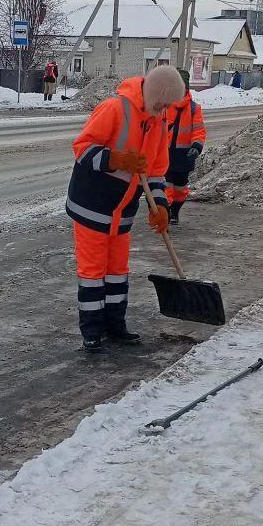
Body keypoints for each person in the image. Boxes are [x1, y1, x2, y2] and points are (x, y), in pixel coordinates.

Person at [66, 65, 186, 353]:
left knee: (118, 271)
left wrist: (159, 205)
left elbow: (156, 170)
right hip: (92, 206)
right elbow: (82, 148)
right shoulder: (114, 109)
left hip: (123, 211)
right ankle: (92, 331)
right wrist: (115, 159)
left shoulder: (158, 121)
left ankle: (115, 324)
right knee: (93, 272)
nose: (167, 110)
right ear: (157, 96)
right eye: (166, 103)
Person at [165, 77, 207, 226]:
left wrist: (196, 147)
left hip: (184, 155)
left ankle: (175, 211)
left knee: (180, 188)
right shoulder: (164, 106)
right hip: (166, 154)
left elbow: (199, 131)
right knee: (166, 185)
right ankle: (166, 212)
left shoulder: (194, 109)